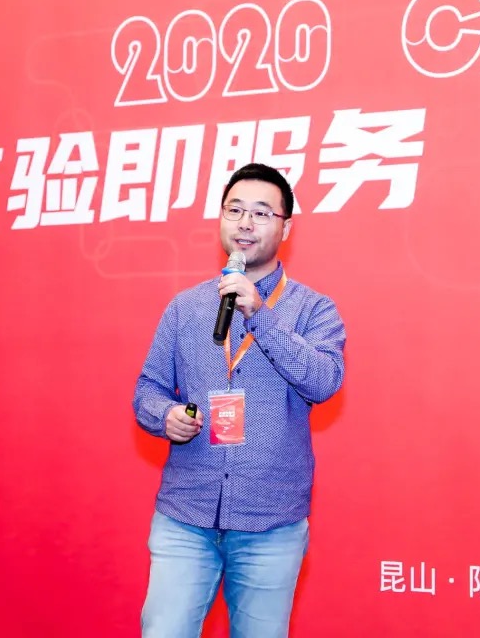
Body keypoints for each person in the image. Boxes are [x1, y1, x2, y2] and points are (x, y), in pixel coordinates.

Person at [133, 163, 347, 637]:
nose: (245, 223)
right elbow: (148, 388)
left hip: (270, 522)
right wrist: (165, 415)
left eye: (262, 213)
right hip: (186, 513)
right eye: (235, 210)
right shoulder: (186, 307)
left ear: (285, 228)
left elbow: (324, 381)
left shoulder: (314, 309)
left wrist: (260, 314)